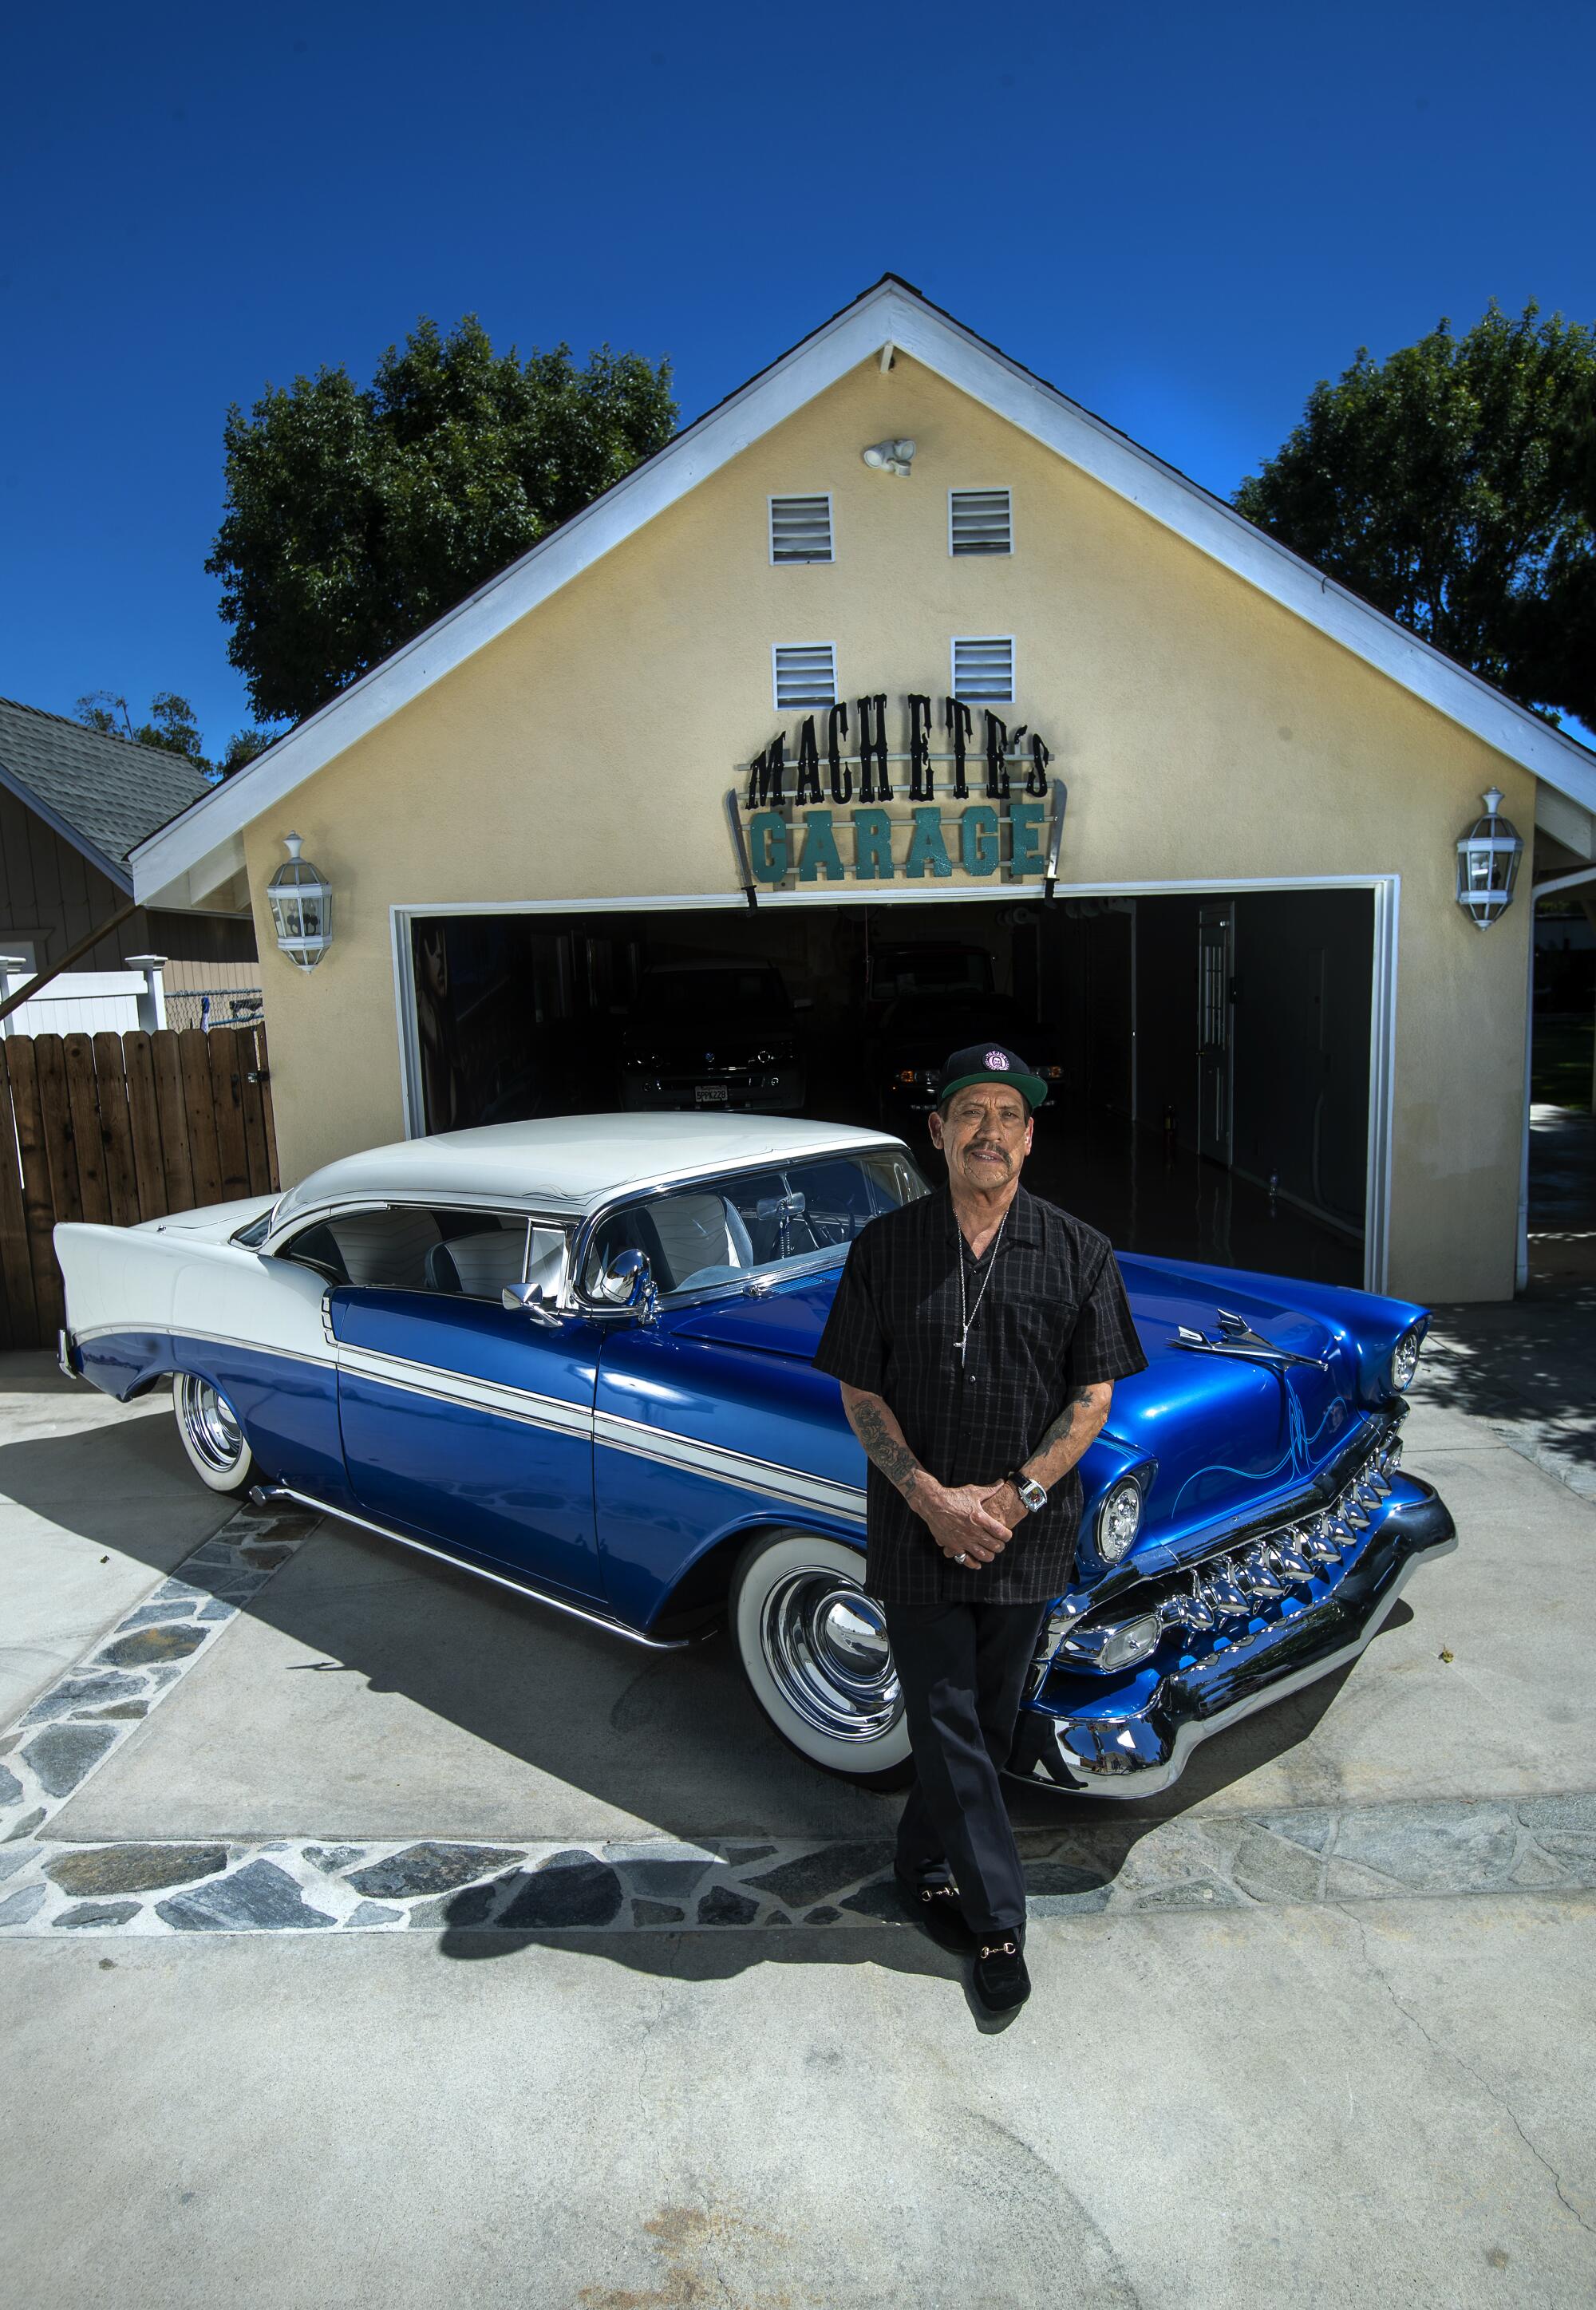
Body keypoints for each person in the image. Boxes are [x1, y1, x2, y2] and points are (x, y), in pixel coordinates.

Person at [812, 1042, 1148, 2013]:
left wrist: (1013, 1498)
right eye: (970, 1113)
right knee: (947, 1715)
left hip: (1025, 1537)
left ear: (1030, 1138)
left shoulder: (1079, 1250)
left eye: (1007, 1114)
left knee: (985, 1722)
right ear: (937, 1133)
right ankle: (997, 1922)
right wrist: (928, 1498)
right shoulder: (885, 1249)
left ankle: (919, 1858)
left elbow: (1091, 1397)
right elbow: (858, 1389)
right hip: (915, 1530)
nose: (988, 1131)